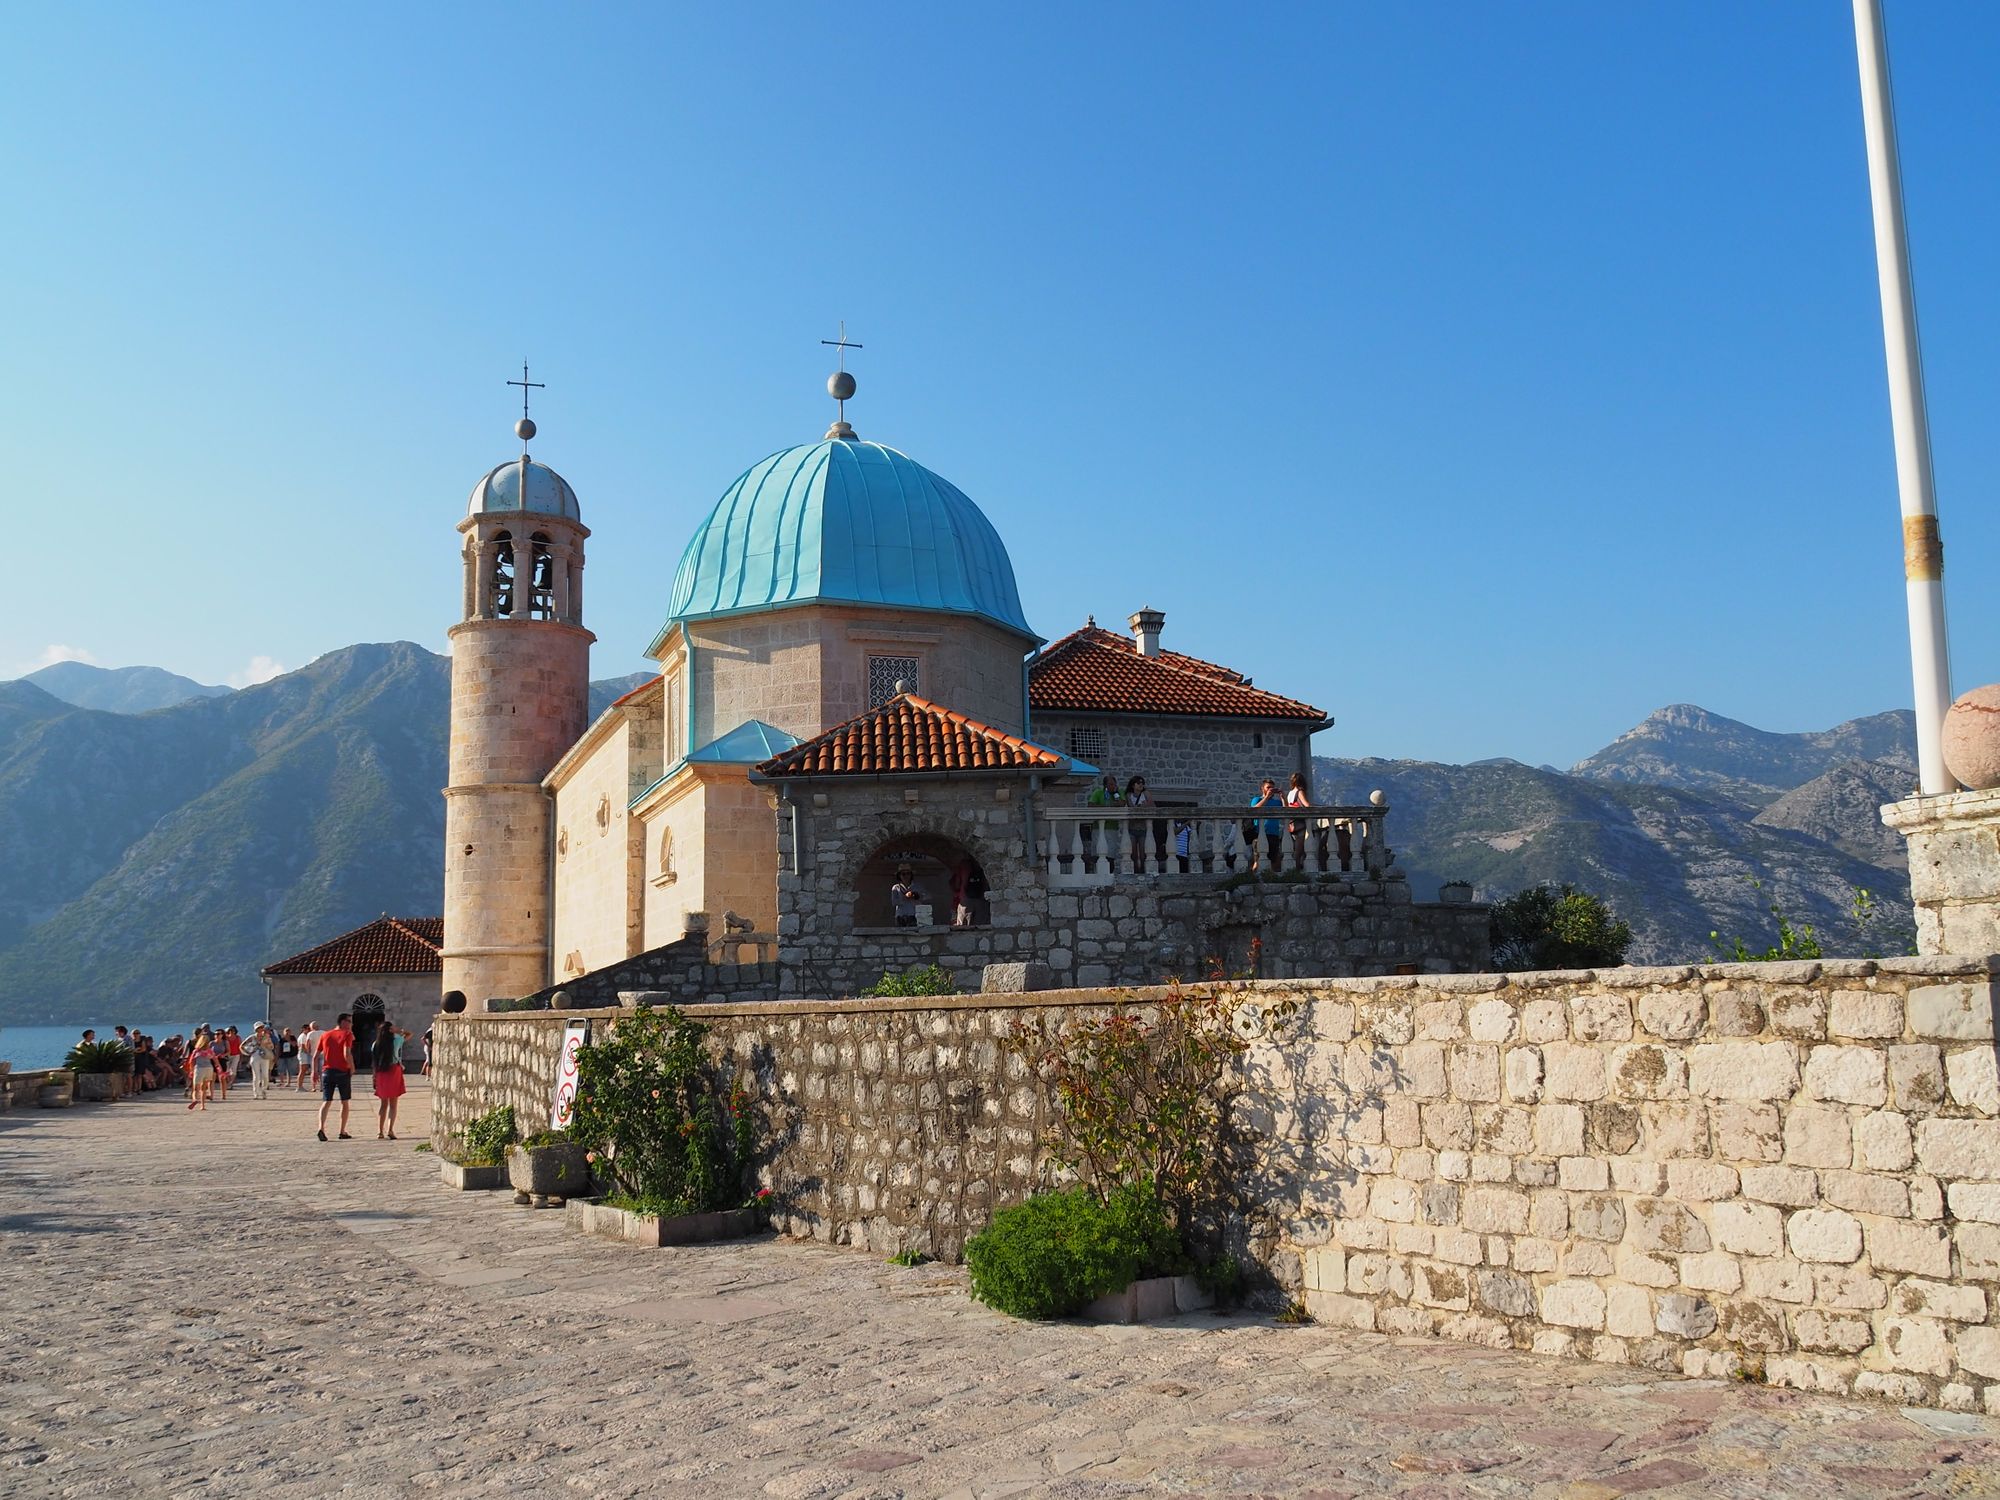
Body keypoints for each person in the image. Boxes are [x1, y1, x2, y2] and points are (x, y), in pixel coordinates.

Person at [315, 1014, 357, 1142]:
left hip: (327, 1071)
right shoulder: (347, 1034)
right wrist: (352, 1067)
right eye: (349, 1022)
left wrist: (314, 1072)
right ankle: (342, 1131)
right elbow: (346, 1053)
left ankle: (321, 1128)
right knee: (344, 1102)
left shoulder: (325, 1035)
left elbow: (315, 1055)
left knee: (326, 1101)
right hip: (342, 1071)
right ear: (343, 1022)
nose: (351, 1024)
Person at [370, 1017, 411, 1139]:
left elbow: (374, 1062)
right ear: (390, 1030)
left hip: (381, 1072)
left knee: (383, 1104)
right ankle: (390, 1130)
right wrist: (398, 1030)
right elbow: (409, 1034)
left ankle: (380, 1131)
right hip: (394, 1070)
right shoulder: (397, 1040)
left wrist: (374, 1077)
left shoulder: (375, 1044)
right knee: (393, 1104)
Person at [1084, 773, 1122, 867]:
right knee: (1098, 852)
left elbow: (1121, 804)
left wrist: (1116, 794)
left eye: (1114, 784)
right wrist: (1106, 807)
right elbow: (1091, 805)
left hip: (1112, 827)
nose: (1113, 786)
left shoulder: (1117, 793)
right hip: (1098, 828)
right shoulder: (1098, 792)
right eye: (1110, 784)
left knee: (1111, 853)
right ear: (1105, 785)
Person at [1246, 778, 1284, 872]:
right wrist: (1266, 797)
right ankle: (1253, 877)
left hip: (1274, 834)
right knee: (1257, 860)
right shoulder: (1257, 799)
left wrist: (1283, 798)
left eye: (1272, 788)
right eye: (1268, 787)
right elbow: (1254, 810)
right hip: (1259, 834)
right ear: (1262, 788)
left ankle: (1271, 877)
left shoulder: (1277, 802)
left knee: (1274, 860)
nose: (1270, 789)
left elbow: (1286, 810)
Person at [1284, 771, 1313, 870]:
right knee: (1299, 851)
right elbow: (1306, 805)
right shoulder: (1299, 791)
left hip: (1291, 823)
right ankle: (1295, 871)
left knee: (1296, 850)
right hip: (1300, 824)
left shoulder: (1290, 793)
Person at [187, 1030, 217, 1112]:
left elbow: (191, 1061)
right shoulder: (210, 1050)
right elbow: (215, 1060)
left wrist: (191, 1070)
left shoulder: (196, 1051)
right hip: (209, 1068)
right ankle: (202, 1106)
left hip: (199, 1069)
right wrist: (219, 1068)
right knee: (203, 1089)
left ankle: (195, 1099)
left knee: (195, 1088)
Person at [245, 1023, 277, 1100]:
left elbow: (272, 1046)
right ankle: (255, 1093)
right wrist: (248, 1052)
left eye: (262, 1027)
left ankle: (264, 1090)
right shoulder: (252, 1037)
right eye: (259, 1028)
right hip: (255, 1056)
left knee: (265, 1076)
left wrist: (266, 1044)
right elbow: (242, 1045)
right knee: (256, 1076)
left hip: (264, 1056)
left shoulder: (266, 1037)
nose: (261, 1029)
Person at [296, 1022, 318, 1093]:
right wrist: (310, 1053)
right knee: (302, 1070)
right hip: (303, 1054)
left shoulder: (306, 1035)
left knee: (303, 1070)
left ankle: (300, 1086)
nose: (309, 1030)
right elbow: (303, 1047)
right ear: (304, 1029)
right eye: (308, 1029)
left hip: (305, 1054)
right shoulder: (303, 1036)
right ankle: (299, 1086)